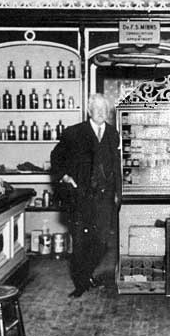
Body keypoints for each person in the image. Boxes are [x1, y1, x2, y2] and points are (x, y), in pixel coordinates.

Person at [50, 93, 122, 298]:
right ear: (89, 111)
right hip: (80, 197)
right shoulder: (74, 133)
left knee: (101, 243)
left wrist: (118, 193)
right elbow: (56, 157)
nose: (100, 113)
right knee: (81, 242)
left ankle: (87, 273)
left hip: (104, 199)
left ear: (108, 112)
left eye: (104, 109)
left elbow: (117, 166)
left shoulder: (113, 134)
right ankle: (81, 283)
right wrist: (65, 177)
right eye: (96, 109)